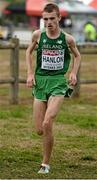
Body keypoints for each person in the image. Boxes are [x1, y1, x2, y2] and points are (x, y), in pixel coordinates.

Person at [26, 3, 81, 174]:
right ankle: (45, 147)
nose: (48, 22)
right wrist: (30, 73)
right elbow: (28, 52)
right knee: (39, 129)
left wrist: (73, 72)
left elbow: (77, 55)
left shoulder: (67, 39)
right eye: (45, 19)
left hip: (58, 82)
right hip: (40, 82)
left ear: (59, 18)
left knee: (48, 122)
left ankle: (45, 164)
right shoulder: (37, 35)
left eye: (52, 18)